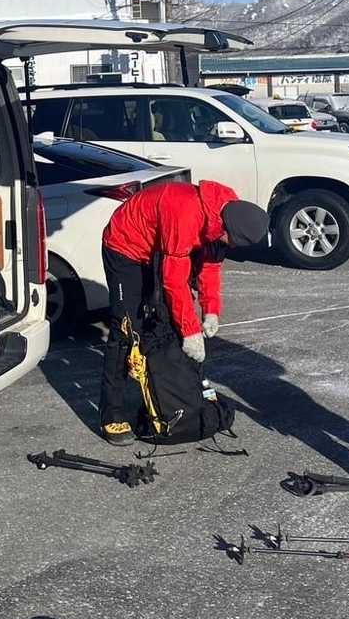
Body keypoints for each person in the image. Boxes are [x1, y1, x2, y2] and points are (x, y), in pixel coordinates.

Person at [98, 179, 269, 444]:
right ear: (225, 228)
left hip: (160, 249)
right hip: (126, 247)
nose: (232, 247)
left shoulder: (226, 213)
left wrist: (211, 310)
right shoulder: (185, 212)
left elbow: (210, 264)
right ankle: (112, 414)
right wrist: (190, 332)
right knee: (126, 330)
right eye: (232, 242)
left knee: (166, 323)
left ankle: (161, 395)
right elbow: (174, 281)